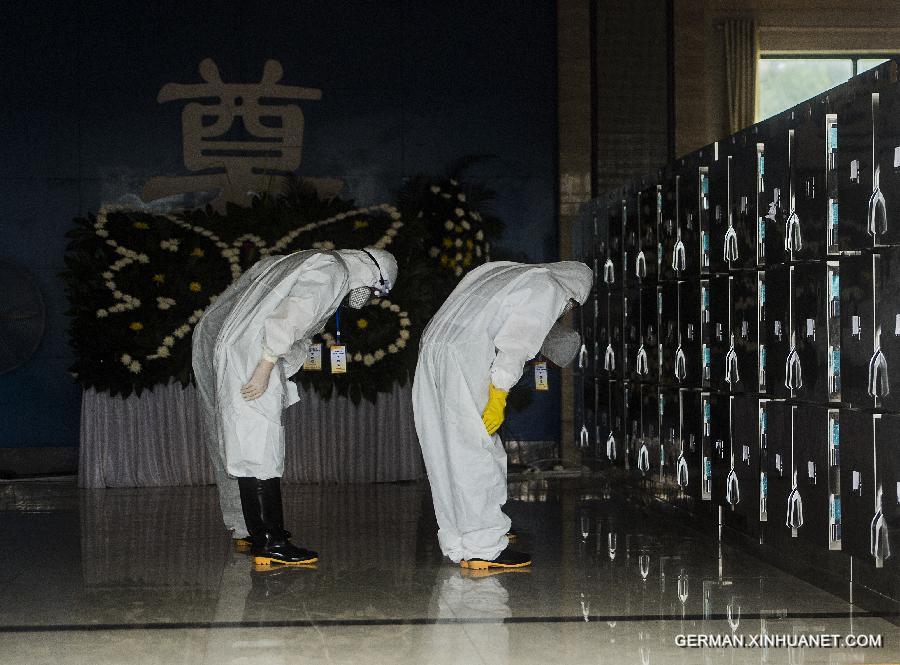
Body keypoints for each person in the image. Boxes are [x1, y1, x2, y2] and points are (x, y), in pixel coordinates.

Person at [192, 248, 398, 565]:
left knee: (250, 446)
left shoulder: (307, 258)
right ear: (373, 273)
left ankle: (257, 532)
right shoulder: (334, 269)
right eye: (377, 289)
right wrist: (264, 368)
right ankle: (270, 542)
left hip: (242, 351)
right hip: (256, 357)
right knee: (261, 449)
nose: (368, 296)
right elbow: (293, 316)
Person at [412, 261, 593, 569]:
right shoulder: (549, 286)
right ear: (573, 290)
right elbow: (517, 344)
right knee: (475, 453)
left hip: (432, 348)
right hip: (465, 355)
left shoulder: (499, 270)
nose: (565, 308)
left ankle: (460, 539)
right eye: (571, 304)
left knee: (444, 450)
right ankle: (484, 547)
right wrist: (498, 394)